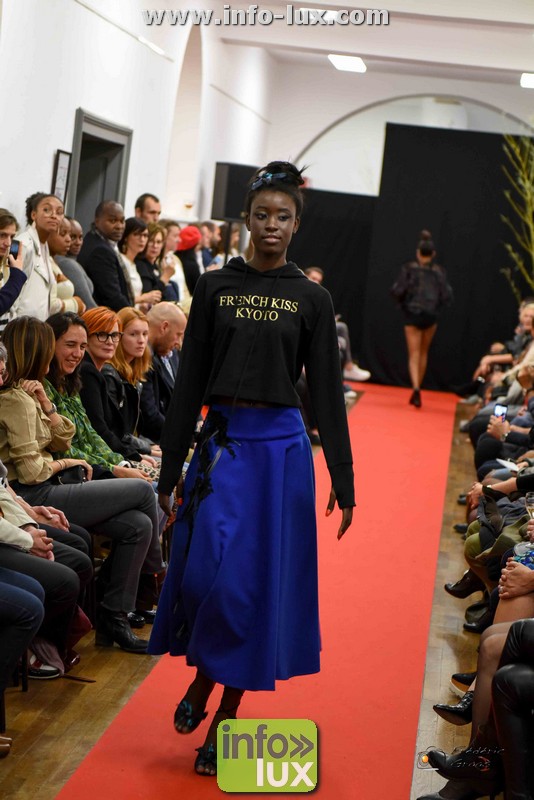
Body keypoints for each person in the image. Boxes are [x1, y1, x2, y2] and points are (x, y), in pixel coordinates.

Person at [148, 161, 355, 776]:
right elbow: (188, 383)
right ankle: (204, 678)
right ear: (245, 220)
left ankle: (224, 715)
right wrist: (168, 472)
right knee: (201, 577)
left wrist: (343, 477)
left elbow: (326, 391)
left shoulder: (312, 297)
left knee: (251, 590)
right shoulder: (215, 287)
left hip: (280, 455)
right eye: (262, 214)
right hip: (221, 448)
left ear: (296, 225)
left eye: (283, 216)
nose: (271, 225)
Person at [0, 316, 164, 651]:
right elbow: (33, 471)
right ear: (37, 351)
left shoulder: (32, 391)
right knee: (142, 490)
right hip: (36, 490)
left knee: (138, 524)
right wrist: (70, 462)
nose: (75, 354)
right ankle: (155, 580)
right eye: (64, 346)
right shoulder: (15, 399)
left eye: (81, 346)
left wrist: (47, 405)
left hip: (50, 483)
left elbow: (65, 438)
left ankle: (114, 615)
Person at [391, 230, 452, 407]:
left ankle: (416, 388)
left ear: (418, 252)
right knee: (423, 352)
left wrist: (404, 303)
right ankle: (417, 388)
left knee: (414, 354)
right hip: (430, 316)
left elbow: (397, 290)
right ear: (433, 254)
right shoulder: (438, 272)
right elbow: (447, 295)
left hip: (412, 314)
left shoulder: (409, 269)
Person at [103, 306, 159, 458]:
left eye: (145, 334)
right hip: (117, 454)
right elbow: (115, 431)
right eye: (133, 334)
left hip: (133, 446)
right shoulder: (109, 374)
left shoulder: (135, 373)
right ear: (118, 336)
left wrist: (147, 446)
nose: (141, 340)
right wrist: (147, 448)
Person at [138, 302, 188, 442]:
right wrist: (183, 436)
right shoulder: (142, 358)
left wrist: (197, 422)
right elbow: (150, 415)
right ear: (164, 327)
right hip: (154, 441)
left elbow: (184, 393)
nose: (179, 343)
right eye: (178, 335)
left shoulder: (171, 353)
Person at [12, 193, 65, 322]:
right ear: (33, 215)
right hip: (18, 326)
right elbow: (9, 289)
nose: (54, 216)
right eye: (47, 210)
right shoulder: (18, 244)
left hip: (38, 327)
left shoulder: (45, 247)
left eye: (59, 212)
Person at [77, 201, 130, 311]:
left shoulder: (94, 239)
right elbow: (112, 297)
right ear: (97, 221)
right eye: (113, 221)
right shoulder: (100, 251)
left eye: (122, 221)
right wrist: (133, 315)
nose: (119, 226)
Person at [117, 217, 161, 309]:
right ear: (126, 237)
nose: (142, 239)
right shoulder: (120, 260)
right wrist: (144, 298)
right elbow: (117, 297)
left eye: (145, 235)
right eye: (136, 234)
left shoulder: (134, 263)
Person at [0, 208, 26, 333]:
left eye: (12, 236)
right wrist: (16, 277)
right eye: (2, 235)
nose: (8, 243)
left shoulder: (3, 266)